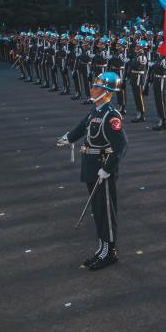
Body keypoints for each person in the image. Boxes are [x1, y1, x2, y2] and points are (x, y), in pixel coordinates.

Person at [55, 71, 129, 271]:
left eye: (96, 87)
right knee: (98, 211)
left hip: (102, 169)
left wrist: (107, 169)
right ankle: (102, 248)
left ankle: (110, 251)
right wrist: (69, 137)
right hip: (91, 167)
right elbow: (83, 127)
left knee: (105, 212)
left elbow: (121, 146)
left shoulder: (111, 115)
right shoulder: (96, 111)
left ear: (106, 93)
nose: (92, 89)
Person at [147, 42, 166, 131]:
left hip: (161, 81)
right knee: (158, 101)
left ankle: (163, 121)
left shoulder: (165, 59)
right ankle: (161, 119)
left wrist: (153, 65)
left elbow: (162, 68)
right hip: (156, 80)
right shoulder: (159, 58)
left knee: (160, 101)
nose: (158, 49)